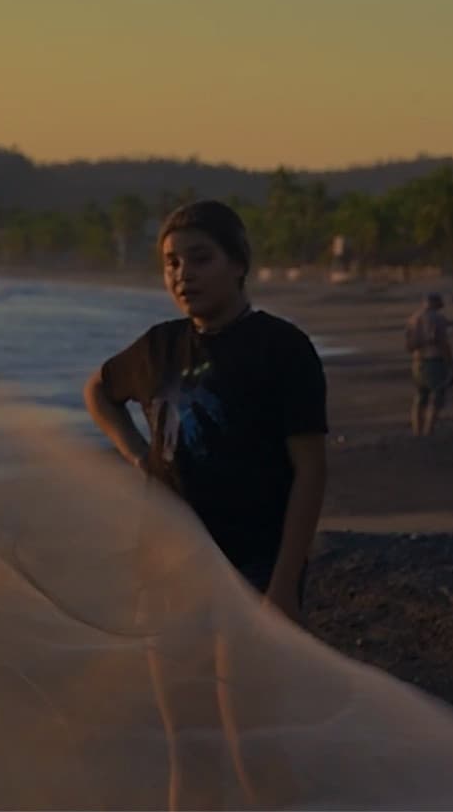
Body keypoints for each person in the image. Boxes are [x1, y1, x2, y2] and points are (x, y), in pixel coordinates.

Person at [84, 199, 328, 618]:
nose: (183, 275)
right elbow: (98, 391)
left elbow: (311, 470)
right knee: (174, 682)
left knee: (242, 683)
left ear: (237, 264)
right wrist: (138, 455)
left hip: (254, 561)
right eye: (171, 263)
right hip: (165, 552)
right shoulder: (158, 346)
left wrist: (285, 583)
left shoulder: (282, 347)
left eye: (200, 259)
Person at [406, 292, 453, 436]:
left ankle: (417, 430)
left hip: (418, 361)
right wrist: (450, 364)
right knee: (437, 396)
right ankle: (429, 430)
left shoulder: (413, 318)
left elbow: (409, 345)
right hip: (435, 360)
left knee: (420, 396)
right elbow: (442, 343)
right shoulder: (438, 319)